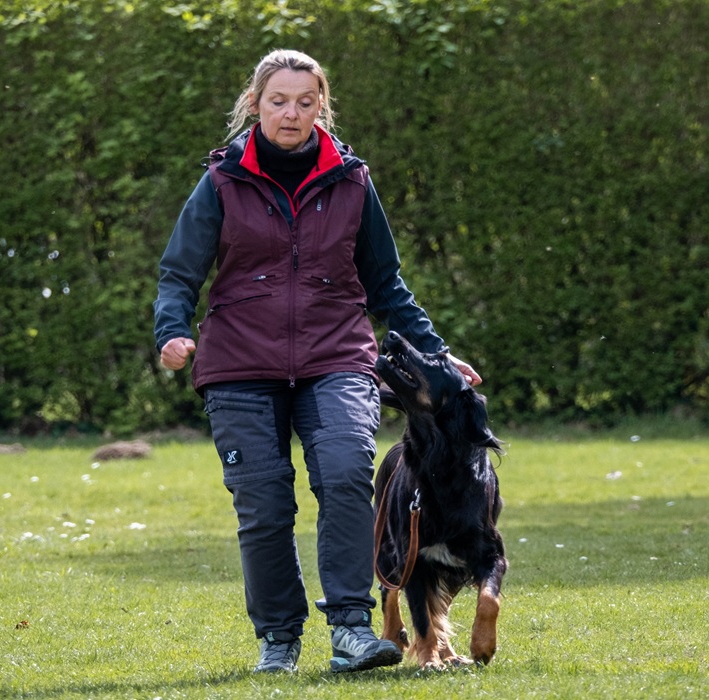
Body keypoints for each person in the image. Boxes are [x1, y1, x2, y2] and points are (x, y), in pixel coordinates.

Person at [152, 49, 483, 674]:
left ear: (321, 107)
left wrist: (436, 354)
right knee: (264, 504)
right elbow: (179, 274)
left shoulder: (352, 181)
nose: (291, 113)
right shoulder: (221, 181)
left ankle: (351, 630)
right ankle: (278, 639)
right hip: (239, 365)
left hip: (337, 355)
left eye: (306, 102)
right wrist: (171, 331)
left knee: (346, 473)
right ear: (255, 104)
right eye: (279, 101)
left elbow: (387, 285)